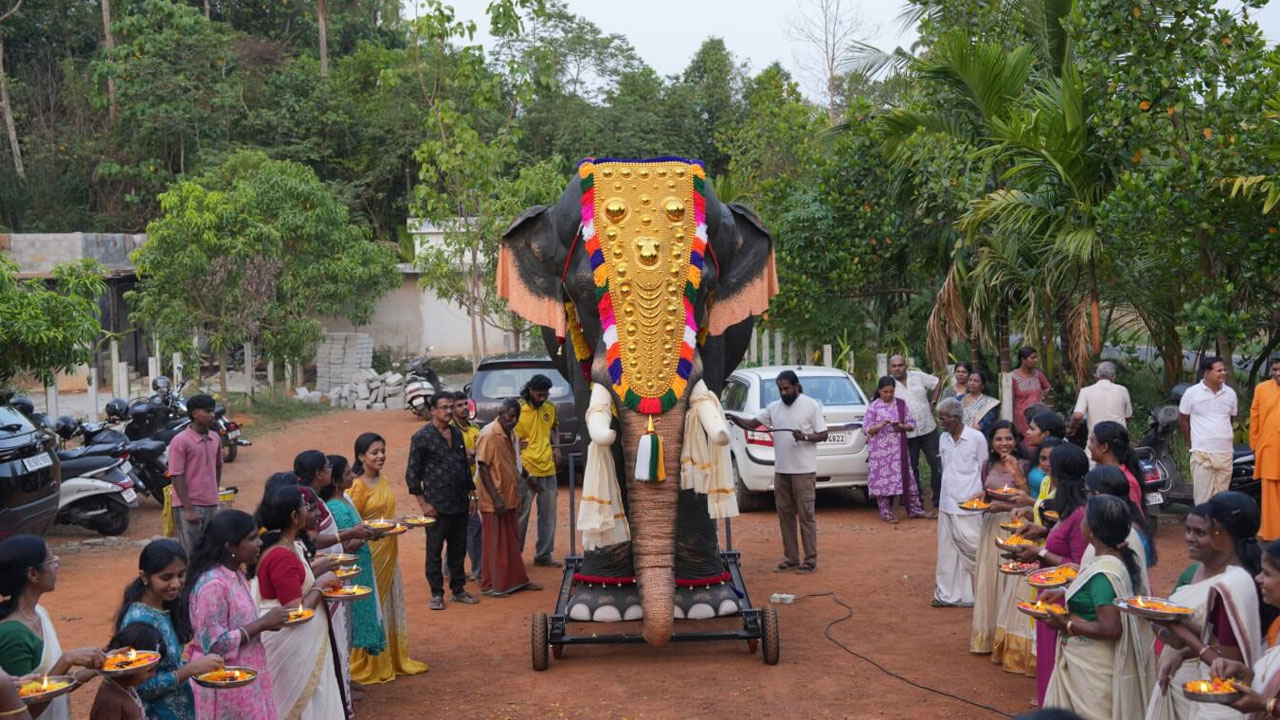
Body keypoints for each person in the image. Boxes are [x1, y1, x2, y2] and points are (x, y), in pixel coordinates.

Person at [1143, 492, 1266, 720]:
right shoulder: (1245, 576)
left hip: (1222, 698)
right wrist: (1181, 653)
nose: (1191, 537)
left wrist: (1178, 627)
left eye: (1203, 530)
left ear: (1217, 528)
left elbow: (1226, 661)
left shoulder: (1231, 585)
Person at [1041, 494, 1155, 718]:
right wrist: (1064, 592)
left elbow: (1110, 628)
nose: (1080, 523)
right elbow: (1094, 595)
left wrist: (1067, 625)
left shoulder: (1104, 573)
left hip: (1094, 671)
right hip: (1092, 666)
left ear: (1092, 531)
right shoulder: (1112, 558)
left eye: (1084, 520)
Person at [250, 485, 345, 719]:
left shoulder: (288, 546)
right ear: (294, 517)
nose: (310, 510)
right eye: (305, 506)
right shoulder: (280, 554)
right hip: (294, 649)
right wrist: (320, 585)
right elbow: (295, 611)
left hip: (303, 648)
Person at [185, 510, 288, 719]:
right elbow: (214, 644)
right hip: (225, 684)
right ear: (230, 546)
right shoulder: (213, 585)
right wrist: (262, 624)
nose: (259, 543)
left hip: (246, 676)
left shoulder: (236, 573)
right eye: (252, 539)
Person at [1011, 443, 1091, 705]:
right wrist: (1043, 533)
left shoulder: (1079, 514)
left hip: (1061, 598)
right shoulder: (1069, 509)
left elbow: (1078, 566)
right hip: (1048, 593)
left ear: (1057, 475)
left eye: (1050, 466)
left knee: (1054, 658)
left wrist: (1040, 553)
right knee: (1045, 656)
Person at [348, 432, 428, 684]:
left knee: (388, 604)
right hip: (369, 554)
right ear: (361, 456)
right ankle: (369, 660)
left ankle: (392, 656)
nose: (381, 456)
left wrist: (400, 522)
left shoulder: (381, 479)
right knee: (373, 605)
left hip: (389, 551)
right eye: (374, 452)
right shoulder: (357, 486)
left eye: (383, 451)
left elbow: (384, 517)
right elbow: (355, 525)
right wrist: (387, 527)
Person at [729, 370, 828, 574]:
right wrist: (732, 417)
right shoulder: (774, 408)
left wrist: (805, 437)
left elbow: (823, 434)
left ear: (796, 386)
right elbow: (753, 424)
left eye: (787, 388)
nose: (784, 393)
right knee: (785, 516)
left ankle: (810, 561)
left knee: (806, 515)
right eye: (781, 389)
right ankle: (791, 558)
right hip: (782, 471)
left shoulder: (811, 405)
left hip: (803, 471)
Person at [115, 539, 224, 720]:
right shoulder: (139, 622)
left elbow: (169, 664)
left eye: (181, 575)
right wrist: (190, 669)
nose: (176, 584)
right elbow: (140, 686)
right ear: (144, 577)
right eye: (166, 578)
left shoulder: (166, 606)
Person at [0, 535, 105, 720]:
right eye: (51, 560)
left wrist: (101, 665)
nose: (57, 563)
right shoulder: (13, 634)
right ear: (33, 574)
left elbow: (56, 685)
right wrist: (66, 660)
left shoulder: (39, 613)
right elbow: (22, 713)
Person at [406, 393, 480, 611]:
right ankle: (436, 593)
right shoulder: (421, 437)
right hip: (435, 506)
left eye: (451, 407)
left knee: (458, 548)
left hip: (459, 501)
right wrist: (423, 504)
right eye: (444, 407)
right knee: (434, 550)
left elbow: (463, 467)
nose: (449, 411)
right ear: (433, 410)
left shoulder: (456, 433)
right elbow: (412, 474)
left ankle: (458, 590)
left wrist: (471, 496)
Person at [974, 421, 1035, 675]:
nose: (1004, 444)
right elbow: (987, 493)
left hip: (1016, 524)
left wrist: (1006, 507)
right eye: (998, 439)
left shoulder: (1025, 465)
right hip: (991, 524)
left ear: (1016, 440)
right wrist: (982, 499)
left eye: (1008, 439)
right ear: (991, 442)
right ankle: (987, 637)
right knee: (990, 577)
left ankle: (1006, 639)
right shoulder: (987, 464)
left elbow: (1031, 499)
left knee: (1009, 580)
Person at [322, 455, 386, 666]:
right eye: (348, 473)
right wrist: (368, 534)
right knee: (347, 623)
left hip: (360, 566)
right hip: (351, 570)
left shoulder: (343, 500)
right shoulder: (336, 506)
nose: (353, 475)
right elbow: (346, 546)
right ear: (335, 480)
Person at [1205, 539, 1280, 717]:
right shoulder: (1277, 626)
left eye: (1267, 574)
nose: (1258, 579)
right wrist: (1243, 674)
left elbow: (1269, 699)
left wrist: (1266, 704)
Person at [476, 398, 542, 597]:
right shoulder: (489, 434)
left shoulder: (511, 434)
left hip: (510, 494)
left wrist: (528, 479)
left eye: (516, 416)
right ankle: (494, 585)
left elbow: (515, 463)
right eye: (509, 415)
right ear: (500, 413)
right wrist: (496, 498)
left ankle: (516, 580)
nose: (512, 420)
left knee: (511, 540)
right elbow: (483, 467)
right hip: (494, 499)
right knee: (496, 542)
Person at [934, 398, 985, 606]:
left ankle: (977, 594)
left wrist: (982, 493)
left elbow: (985, 468)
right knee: (947, 553)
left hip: (969, 505)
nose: (941, 423)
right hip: (947, 503)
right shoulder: (943, 439)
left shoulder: (976, 438)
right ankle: (947, 595)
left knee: (973, 549)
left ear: (955, 419)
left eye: (943, 419)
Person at [864, 376, 926, 524]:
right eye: (885, 392)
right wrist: (880, 425)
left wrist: (901, 427)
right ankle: (886, 512)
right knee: (883, 481)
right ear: (879, 391)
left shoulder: (901, 404)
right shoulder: (874, 406)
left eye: (891, 391)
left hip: (898, 450)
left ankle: (915, 509)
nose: (888, 394)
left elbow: (911, 424)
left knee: (907, 477)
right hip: (879, 451)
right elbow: (866, 429)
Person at [514, 374, 561, 567]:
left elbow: (554, 428)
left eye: (546, 394)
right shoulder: (517, 409)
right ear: (531, 391)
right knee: (521, 515)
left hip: (547, 468)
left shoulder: (549, 407)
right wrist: (516, 444)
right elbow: (504, 430)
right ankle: (515, 556)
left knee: (548, 515)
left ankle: (543, 554)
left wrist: (557, 447)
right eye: (540, 394)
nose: (543, 398)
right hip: (525, 469)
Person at [167, 393, 223, 555]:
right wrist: (189, 508)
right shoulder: (180, 441)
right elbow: (176, 475)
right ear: (194, 413)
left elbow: (218, 466)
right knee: (191, 554)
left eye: (212, 411)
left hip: (211, 504)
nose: (212, 415)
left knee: (211, 552)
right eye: (207, 411)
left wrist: (214, 493)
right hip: (189, 506)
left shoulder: (215, 438)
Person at [1180, 356, 1239, 505]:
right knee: (1202, 501)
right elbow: (1184, 420)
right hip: (1202, 454)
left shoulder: (1230, 393)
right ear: (1207, 373)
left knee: (1222, 501)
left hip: (1225, 454)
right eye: (1219, 370)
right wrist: (1192, 445)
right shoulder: (1192, 393)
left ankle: (1217, 529)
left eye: (1224, 370)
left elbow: (1230, 419)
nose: (1223, 373)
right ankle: (1203, 528)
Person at [889, 355, 944, 511]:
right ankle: (915, 500)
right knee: (912, 468)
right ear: (890, 368)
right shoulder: (889, 383)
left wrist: (933, 402)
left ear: (906, 366)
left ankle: (938, 499)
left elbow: (937, 382)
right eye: (894, 366)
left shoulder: (918, 376)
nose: (897, 368)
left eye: (900, 365)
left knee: (937, 464)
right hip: (907, 433)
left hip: (928, 428)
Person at [91, 623, 162, 720]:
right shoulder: (111, 702)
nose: (153, 675)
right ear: (129, 666)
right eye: (149, 670)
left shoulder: (126, 688)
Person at [452, 390, 483, 583]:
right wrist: (469, 454)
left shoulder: (474, 428)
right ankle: (478, 571)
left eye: (465, 404)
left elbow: (480, 453)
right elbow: (451, 456)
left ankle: (451, 568)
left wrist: (471, 454)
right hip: (456, 486)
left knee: (464, 529)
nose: (464, 408)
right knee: (469, 528)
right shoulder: (450, 431)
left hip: (474, 484)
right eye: (459, 405)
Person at [1088, 421, 1147, 522]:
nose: (1089, 446)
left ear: (1104, 447)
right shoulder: (1099, 473)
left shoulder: (1126, 481)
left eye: (1092, 441)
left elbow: (1135, 521)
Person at [1068, 361, 1132, 439]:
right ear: (1113, 377)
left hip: (1097, 440)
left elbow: (1077, 416)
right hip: (1118, 439)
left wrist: (1072, 428)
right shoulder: (1123, 390)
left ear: (1096, 376)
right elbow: (1128, 417)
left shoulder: (1086, 391)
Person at [1253, 357, 1280, 540]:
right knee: (1270, 491)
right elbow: (1255, 415)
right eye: (1275, 370)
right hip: (1269, 448)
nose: (1278, 374)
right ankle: (1272, 532)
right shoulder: (1262, 388)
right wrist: (1255, 445)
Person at [1011, 347, 1053, 436]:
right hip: (1020, 419)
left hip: (1038, 418)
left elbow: (1048, 389)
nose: (1036, 360)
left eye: (1036, 357)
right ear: (1023, 359)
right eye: (1032, 358)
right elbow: (1009, 401)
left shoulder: (1038, 374)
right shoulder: (1012, 377)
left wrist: (1042, 398)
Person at [961, 369, 1001, 434]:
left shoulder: (989, 403)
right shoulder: (959, 399)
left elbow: (986, 422)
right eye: (970, 380)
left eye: (976, 381)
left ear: (982, 386)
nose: (972, 383)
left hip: (978, 436)